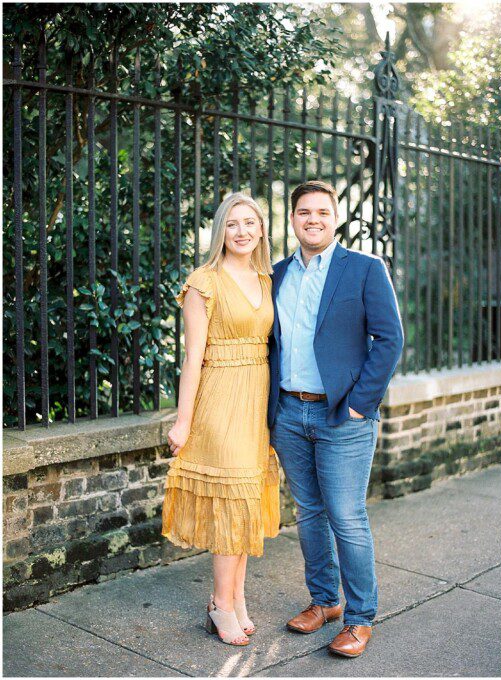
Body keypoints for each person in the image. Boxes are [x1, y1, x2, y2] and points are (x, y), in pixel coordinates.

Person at [268, 180, 403, 659]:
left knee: (346, 516)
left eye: (322, 212)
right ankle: (325, 601)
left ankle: (360, 618)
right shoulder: (276, 274)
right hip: (289, 412)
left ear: (336, 218)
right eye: (304, 212)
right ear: (293, 219)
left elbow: (389, 339)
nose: (314, 219)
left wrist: (359, 404)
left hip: (342, 414)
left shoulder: (365, 269)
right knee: (309, 512)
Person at [163, 192, 281, 647]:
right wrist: (183, 422)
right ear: (220, 232)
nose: (242, 231)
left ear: (262, 229)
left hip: (257, 401)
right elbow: (192, 358)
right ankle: (220, 604)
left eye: (250, 222)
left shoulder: (267, 279)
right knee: (231, 504)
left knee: (246, 501)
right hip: (220, 399)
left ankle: (236, 597)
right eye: (232, 224)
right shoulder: (204, 282)